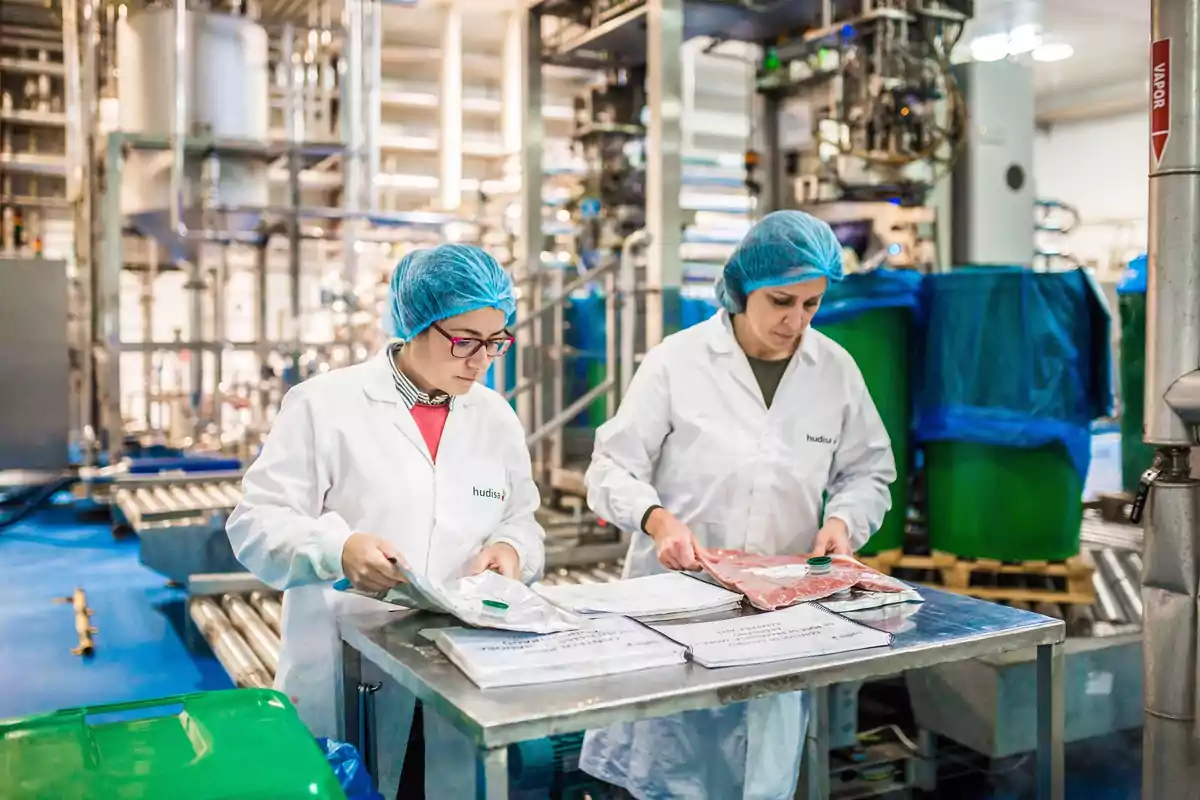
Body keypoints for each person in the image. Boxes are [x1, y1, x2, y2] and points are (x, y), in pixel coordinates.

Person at [578, 210, 896, 800]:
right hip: (678, 605)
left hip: (779, 617)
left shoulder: (835, 370)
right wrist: (656, 519)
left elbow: (868, 472)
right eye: (781, 301)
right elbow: (611, 467)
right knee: (663, 771)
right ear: (742, 287)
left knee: (760, 773)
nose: (795, 320)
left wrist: (844, 520)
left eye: (811, 304)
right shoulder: (678, 360)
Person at [226, 243, 545, 799]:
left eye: (495, 342)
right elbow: (254, 524)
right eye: (465, 341)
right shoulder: (325, 405)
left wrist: (512, 550)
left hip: (462, 674)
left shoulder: (494, 417)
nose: (481, 361)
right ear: (416, 324)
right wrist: (338, 550)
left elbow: (522, 519)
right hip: (350, 671)